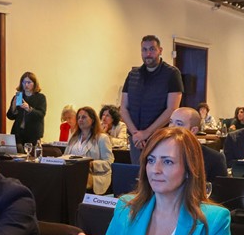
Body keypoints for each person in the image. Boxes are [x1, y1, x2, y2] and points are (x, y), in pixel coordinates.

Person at [74, 127, 236, 235]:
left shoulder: (214, 219)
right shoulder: (126, 208)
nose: (155, 169)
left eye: (167, 162)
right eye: (151, 160)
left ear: (189, 169)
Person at [120, 35, 184, 164]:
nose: (148, 54)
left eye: (152, 49)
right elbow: (123, 108)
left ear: (160, 50)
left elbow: (172, 109)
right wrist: (136, 134)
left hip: (160, 138)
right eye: (144, 50)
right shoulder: (133, 75)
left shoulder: (172, 74)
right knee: (138, 174)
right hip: (136, 140)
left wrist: (146, 133)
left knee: (157, 174)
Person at [169, 107, 227, 183]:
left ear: (193, 130)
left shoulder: (214, 159)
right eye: (171, 122)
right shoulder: (159, 152)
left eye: (179, 124)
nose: (171, 127)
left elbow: (219, 189)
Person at [64, 106, 114, 195]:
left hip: (95, 175)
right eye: (78, 117)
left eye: (83, 117)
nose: (80, 120)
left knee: (75, 179)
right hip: (74, 173)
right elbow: (65, 156)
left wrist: (91, 164)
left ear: (93, 120)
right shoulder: (73, 138)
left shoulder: (102, 138)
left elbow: (109, 162)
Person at [6, 71, 46, 146]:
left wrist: (29, 109)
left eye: (29, 82)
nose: (26, 85)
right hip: (18, 133)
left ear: (34, 84)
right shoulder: (19, 96)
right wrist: (13, 108)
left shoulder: (40, 97)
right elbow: (10, 116)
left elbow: (41, 115)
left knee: (30, 153)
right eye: (24, 82)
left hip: (33, 134)